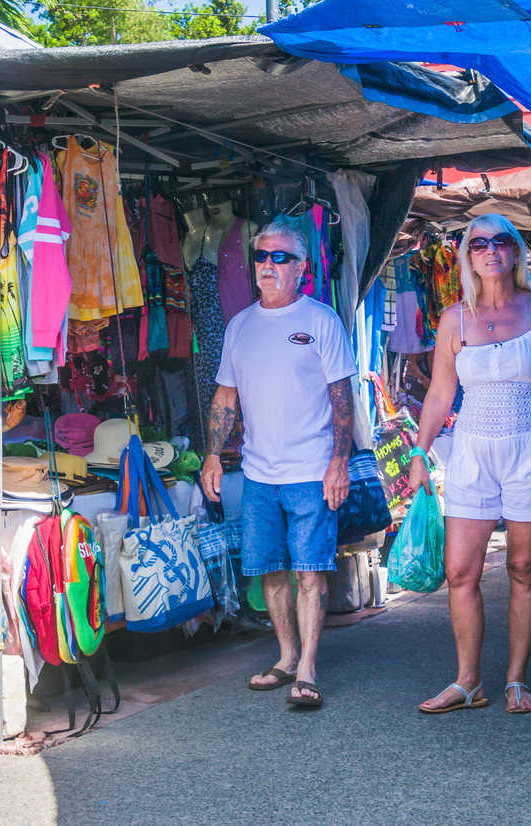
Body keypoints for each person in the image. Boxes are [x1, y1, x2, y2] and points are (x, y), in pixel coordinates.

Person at [408, 213, 531, 715]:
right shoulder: (454, 318)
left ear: (516, 252)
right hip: (472, 449)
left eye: (501, 241)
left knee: (524, 567)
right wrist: (419, 451)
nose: (490, 250)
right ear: (468, 256)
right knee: (459, 570)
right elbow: (440, 392)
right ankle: (468, 682)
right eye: (478, 243)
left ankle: (515, 679)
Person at [200, 220, 356, 710]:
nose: (267, 265)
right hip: (259, 473)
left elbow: (342, 397)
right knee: (269, 570)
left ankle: (307, 668)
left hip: (311, 471)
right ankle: (286, 656)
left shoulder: (321, 321)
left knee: (310, 571)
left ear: (302, 267)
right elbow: (225, 396)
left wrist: (339, 462)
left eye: (280, 257)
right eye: (261, 256)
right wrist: (211, 454)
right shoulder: (240, 327)